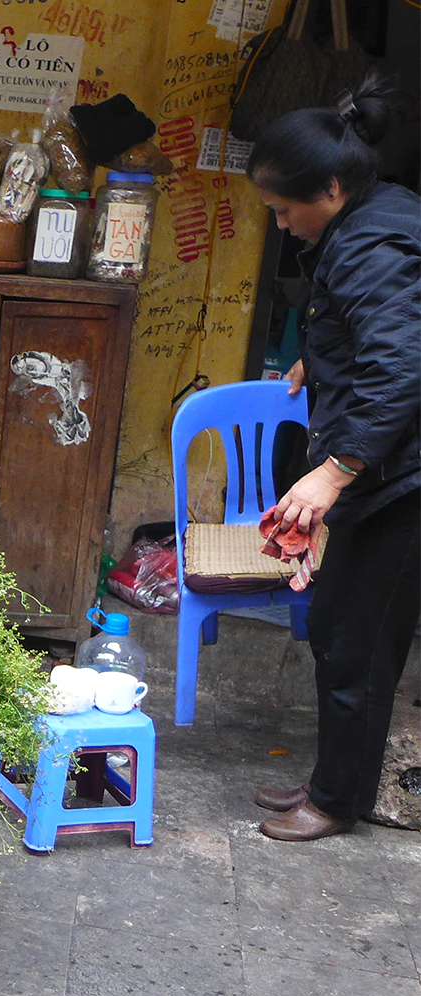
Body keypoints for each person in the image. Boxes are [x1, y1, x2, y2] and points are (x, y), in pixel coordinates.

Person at [244, 76, 421, 842]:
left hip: (402, 478)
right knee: (340, 629)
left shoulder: (372, 244)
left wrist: (335, 468)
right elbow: (378, 330)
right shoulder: (374, 218)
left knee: (356, 639)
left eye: (287, 210)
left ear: (333, 187)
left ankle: (337, 801)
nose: (283, 226)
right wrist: (321, 357)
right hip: (392, 466)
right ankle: (330, 780)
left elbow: (403, 364)